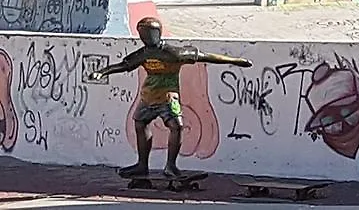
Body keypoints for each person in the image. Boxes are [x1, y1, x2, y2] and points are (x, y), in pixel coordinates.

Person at [90, 16, 251, 179]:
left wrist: (236, 61)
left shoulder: (174, 53)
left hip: (169, 97)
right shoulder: (143, 54)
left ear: (157, 33)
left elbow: (205, 56)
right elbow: (123, 65)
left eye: (148, 34)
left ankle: (171, 166)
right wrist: (101, 72)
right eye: (142, 34)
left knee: (177, 126)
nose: (145, 38)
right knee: (140, 123)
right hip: (148, 96)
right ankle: (142, 165)